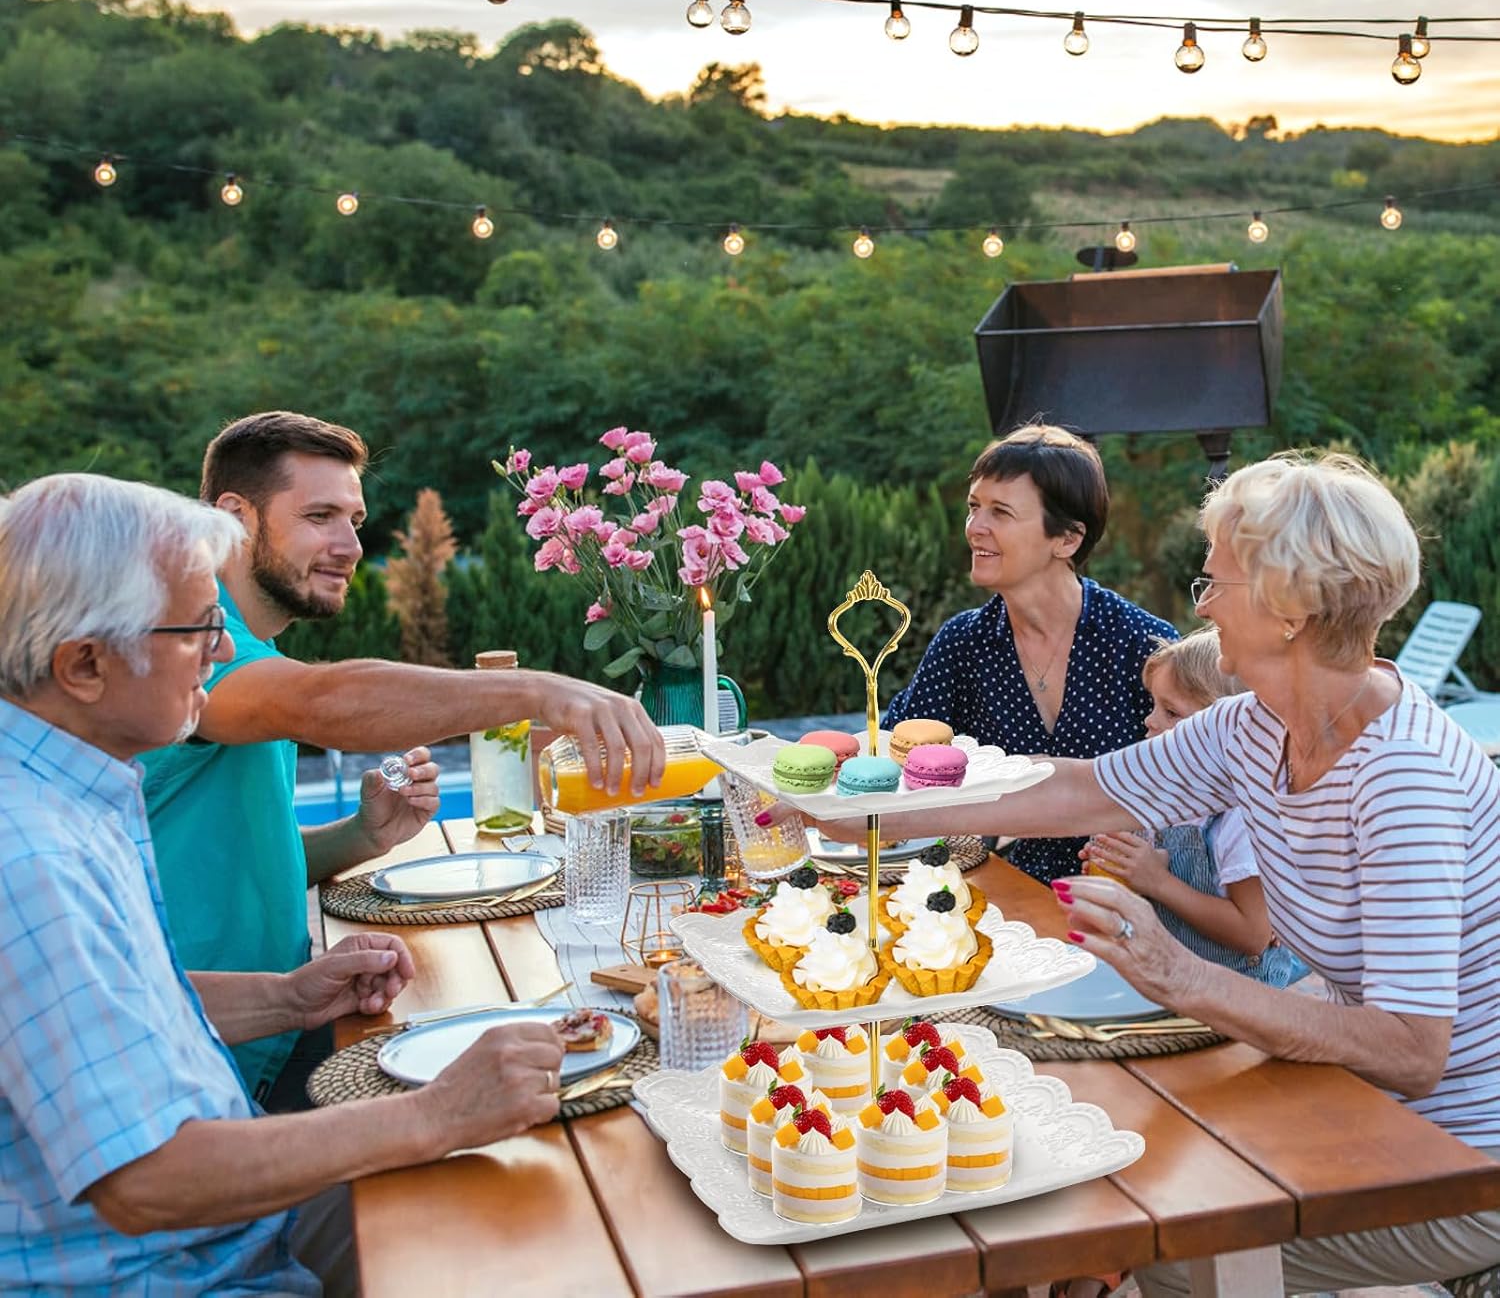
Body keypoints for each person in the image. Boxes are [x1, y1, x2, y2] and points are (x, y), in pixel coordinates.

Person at [792, 451, 1500, 1292]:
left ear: (1289, 610)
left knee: (1137, 1247)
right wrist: (863, 810)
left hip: (1456, 1159)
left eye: (1215, 583)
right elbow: (1081, 790)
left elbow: (1413, 1051)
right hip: (1355, 1103)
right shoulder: (1254, 725)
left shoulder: (1404, 777)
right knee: (1083, 1181)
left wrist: (1181, 975)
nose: (1199, 606)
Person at [0, 472, 567, 1295]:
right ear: (84, 664)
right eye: (200, 628)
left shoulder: (67, 791)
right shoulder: (31, 856)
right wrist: (435, 1114)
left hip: (232, 1230)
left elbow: (108, 1006)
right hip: (183, 1269)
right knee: (545, 1237)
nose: (224, 649)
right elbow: (147, 1179)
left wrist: (288, 999)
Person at [140, 410, 665, 1106]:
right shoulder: (185, 647)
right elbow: (324, 701)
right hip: (198, 1072)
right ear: (235, 518)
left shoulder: (246, 649)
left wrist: (361, 836)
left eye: (354, 520)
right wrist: (539, 692)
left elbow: (229, 854)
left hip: (278, 1028)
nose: (350, 546)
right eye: (320, 516)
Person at [881, 423, 1176, 883]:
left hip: (1129, 901)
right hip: (1009, 892)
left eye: (1000, 512)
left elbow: (1196, 796)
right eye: (974, 507)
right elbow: (893, 755)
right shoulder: (964, 644)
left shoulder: (1144, 645)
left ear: (1067, 539)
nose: (975, 528)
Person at [1080, 628, 1305, 988]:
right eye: (1154, 705)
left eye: (1171, 712)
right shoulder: (1161, 792)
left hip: (1236, 994)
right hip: (1170, 978)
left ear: (1226, 726)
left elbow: (1253, 934)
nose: (1150, 720)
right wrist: (1120, 871)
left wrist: (1158, 881)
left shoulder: (1241, 816)